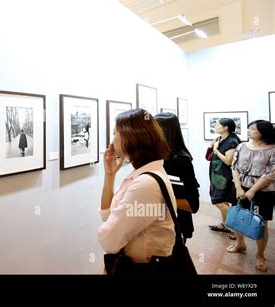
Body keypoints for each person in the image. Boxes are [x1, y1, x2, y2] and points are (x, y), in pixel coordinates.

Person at [98, 109, 177, 269]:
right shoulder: (143, 175)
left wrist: (108, 228)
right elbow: (106, 215)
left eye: (115, 133)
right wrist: (109, 175)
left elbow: (108, 241)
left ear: (130, 137)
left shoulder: (145, 184)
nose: (112, 140)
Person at [228, 120, 275, 272]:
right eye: (248, 128)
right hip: (240, 187)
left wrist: (253, 190)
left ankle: (260, 255)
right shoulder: (242, 146)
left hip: (263, 191)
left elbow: (271, 173)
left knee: (260, 223)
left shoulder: (272, 149)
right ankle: (240, 244)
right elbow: (234, 167)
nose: (248, 131)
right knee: (237, 215)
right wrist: (238, 187)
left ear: (264, 132)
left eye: (253, 129)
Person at [155, 113, 200, 241]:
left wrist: (156, 199)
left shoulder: (181, 162)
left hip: (175, 226)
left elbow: (192, 205)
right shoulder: (152, 157)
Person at [208, 118, 241, 239]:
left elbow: (228, 161)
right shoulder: (221, 139)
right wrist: (214, 144)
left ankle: (236, 226)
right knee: (224, 200)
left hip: (225, 176)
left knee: (218, 201)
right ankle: (225, 225)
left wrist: (216, 150)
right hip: (217, 175)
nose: (216, 126)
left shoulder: (232, 142)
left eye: (218, 124)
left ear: (225, 127)